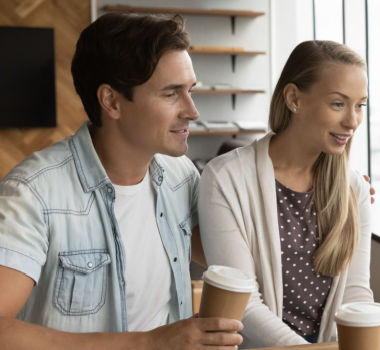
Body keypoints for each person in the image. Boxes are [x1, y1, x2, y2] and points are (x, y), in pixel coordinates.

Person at [0, 13, 243, 349]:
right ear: (111, 101)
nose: (192, 111)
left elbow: (232, 255)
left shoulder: (181, 175)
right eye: (171, 94)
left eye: (190, 91)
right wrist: (149, 343)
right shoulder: (32, 194)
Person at [198, 40, 373, 347]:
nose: (353, 121)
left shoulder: (353, 187)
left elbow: (355, 294)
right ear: (293, 98)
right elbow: (244, 302)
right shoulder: (225, 178)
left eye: (360, 105)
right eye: (338, 104)